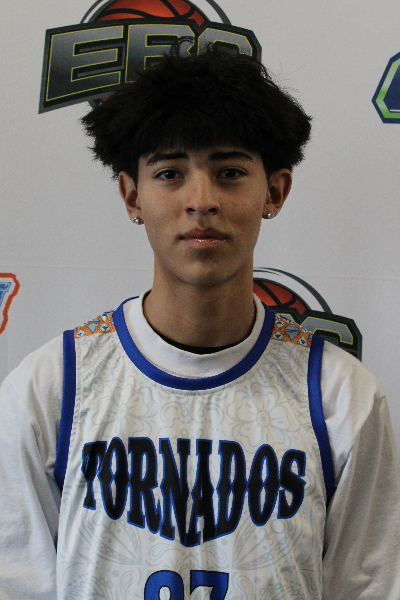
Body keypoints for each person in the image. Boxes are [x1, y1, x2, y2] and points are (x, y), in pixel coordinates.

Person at [0, 43, 399, 600]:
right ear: (131, 195)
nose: (201, 200)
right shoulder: (52, 389)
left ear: (275, 191)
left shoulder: (340, 397)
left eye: (230, 172)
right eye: (170, 173)